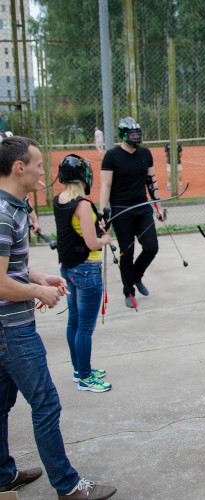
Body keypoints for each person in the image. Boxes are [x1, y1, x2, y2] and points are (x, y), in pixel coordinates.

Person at [0, 136, 116, 499]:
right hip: (12, 330)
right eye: (37, 165)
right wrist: (38, 292)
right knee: (46, 403)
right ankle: (68, 486)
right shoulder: (4, 215)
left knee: (2, 404)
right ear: (19, 167)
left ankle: (4, 473)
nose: (42, 173)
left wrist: (37, 277)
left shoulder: (14, 208)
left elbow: (11, 268)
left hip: (9, 327)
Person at [53, 154, 112, 393]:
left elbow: (72, 231)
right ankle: (86, 377)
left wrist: (97, 226)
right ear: (84, 176)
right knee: (85, 327)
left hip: (68, 268)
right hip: (87, 269)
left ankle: (80, 369)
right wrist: (105, 238)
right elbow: (91, 243)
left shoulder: (60, 199)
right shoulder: (83, 204)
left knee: (74, 321)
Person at [99, 117, 165, 309]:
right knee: (126, 253)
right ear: (123, 135)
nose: (136, 137)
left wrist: (157, 207)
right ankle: (129, 291)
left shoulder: (145, 153)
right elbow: (105, 185)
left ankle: (136, 276)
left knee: (151, 247)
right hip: (122, 211)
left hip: (142, 208)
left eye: (138, 134)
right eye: (132, 134)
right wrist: (104, 214)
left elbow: (151, 181)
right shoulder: (111, 156)